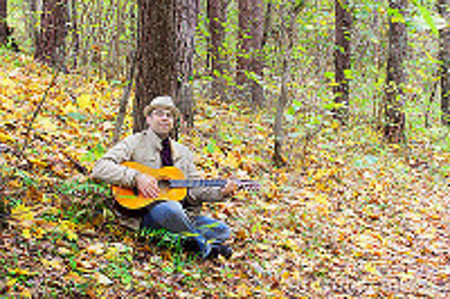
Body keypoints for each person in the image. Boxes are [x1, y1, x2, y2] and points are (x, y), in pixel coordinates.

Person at [91, 95, 237, 259]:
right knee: (170, 208)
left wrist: (221, 192)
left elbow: (195, 189)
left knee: (222, 230)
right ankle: (205, 248)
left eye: (169, 115)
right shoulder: (133, 142)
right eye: (159, 114)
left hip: (182, 216)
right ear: (148, 119)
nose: (164, 118)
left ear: (173, 121)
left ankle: (183, 241)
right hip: (145, 216)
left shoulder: (183, 152)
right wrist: (136, 177)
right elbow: (100, 167)